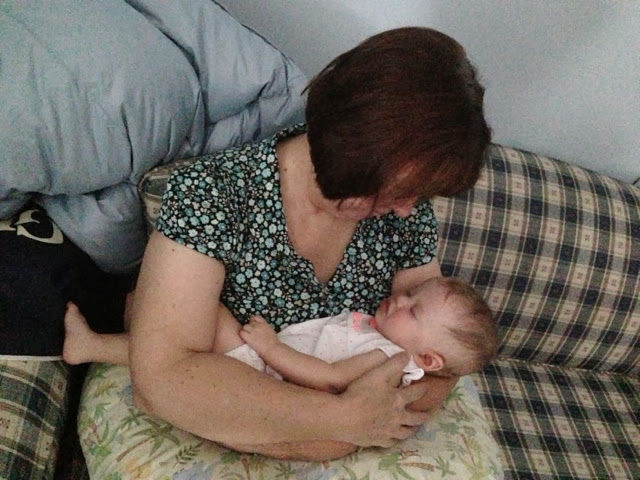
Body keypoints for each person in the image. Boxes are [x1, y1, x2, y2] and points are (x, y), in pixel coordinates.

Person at [116, 26, 491, 461]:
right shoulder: (212, 194)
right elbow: (163, 381)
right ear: (354, 154)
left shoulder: (402, 215)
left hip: (267, 410)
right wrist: (340, 420)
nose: (409, 210)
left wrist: (335, 425)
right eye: (398, 191)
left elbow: (438, 367)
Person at [63, 277, 499, 395]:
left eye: (413, 310)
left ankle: (95, 345)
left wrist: (270, 347)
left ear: (428, 359)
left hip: (265, 375)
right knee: (189, 331)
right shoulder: (384, 336)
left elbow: (329, 377)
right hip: (266, 361)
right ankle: (112, 337)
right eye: (410, 293)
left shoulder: (388, 361)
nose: (400, 298)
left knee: (202, 322)